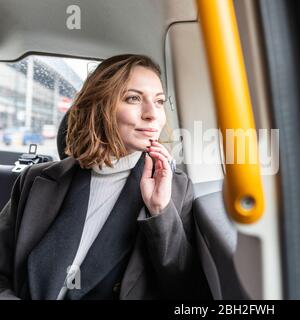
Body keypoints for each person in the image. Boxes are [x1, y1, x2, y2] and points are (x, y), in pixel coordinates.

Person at [0, 54, 211, 300]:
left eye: (160, 101)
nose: (152, 114)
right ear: (100, 106)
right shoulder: (34, 180)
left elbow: (182, 289)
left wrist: (159, 212)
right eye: (133, 98)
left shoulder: (174, 187)